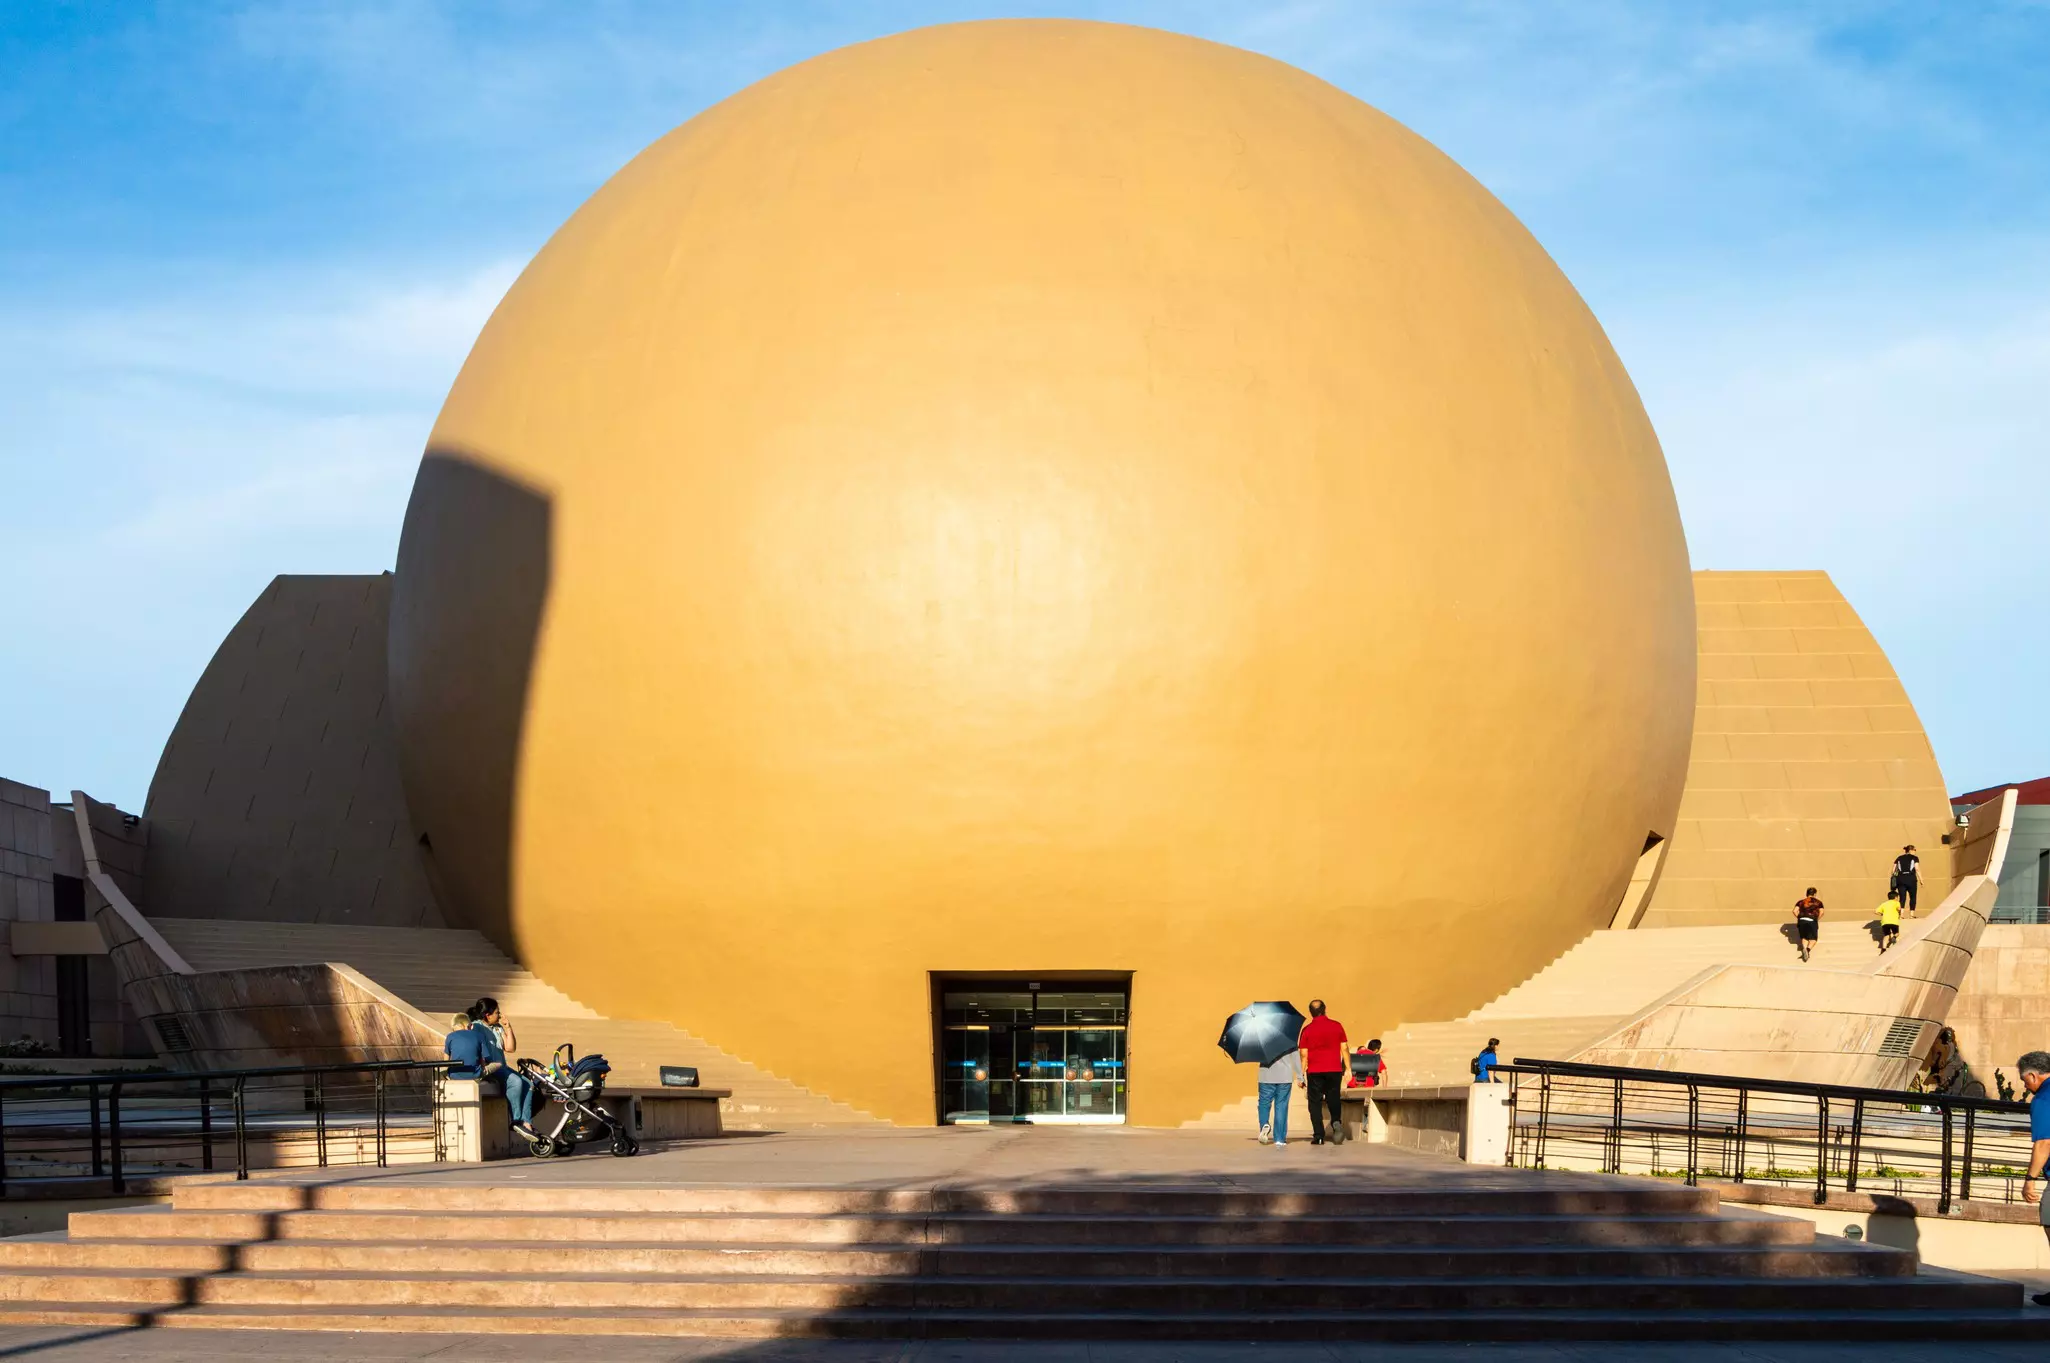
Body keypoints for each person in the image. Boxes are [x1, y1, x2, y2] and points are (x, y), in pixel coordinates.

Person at [446, 1001, 539, 1140]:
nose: (499, 1015)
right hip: (492, 1067)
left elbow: (510, 1048)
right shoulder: (476, 1027)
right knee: (516, 1082)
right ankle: (516, 1120)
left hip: (502, 1066)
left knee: (529, 1085)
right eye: (496, 1012)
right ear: (487, 1015)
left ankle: (526, 1123)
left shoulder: (497, 1028)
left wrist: (508, 1028)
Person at [2016, 1051, 2050, 1306]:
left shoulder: (2043, 1098)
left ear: (2032, 1075)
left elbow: (2044, 1143)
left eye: (2024, 1080)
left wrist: (2030, 1179)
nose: (2024, 1086)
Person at [1297, 999, 1350, 1146]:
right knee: (1333, 1097)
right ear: (1325, 1009)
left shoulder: (1307, 1030)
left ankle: (1319, 1135)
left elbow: (1303, 1055)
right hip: (1334, 1069)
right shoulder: (1336, 1026)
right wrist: (1349, 1069)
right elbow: (1344, 1048)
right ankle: (1336, 1122)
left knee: (1314, 1103)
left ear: (1310, 1012)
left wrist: (1301, 1075)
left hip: (1314, 1071)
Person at [1256, 1043, 1302, 1146]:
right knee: (1281, 1106)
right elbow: (1295, 1057)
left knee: (1264, 1103)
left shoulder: (1261, 1038)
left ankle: (1264, 1124)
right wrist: (1300, 1076)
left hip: (1265, 1076)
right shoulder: (1288, 1037)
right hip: (1284, 1077)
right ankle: (1280, 1139)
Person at [1792, 887, 1824, 962]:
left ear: (1807, 893)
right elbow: (1822, 912)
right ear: (1815, 894)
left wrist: (1799, 918)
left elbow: (1794, 911)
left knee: (1804, 937)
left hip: (1802, 920)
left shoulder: (1800, 902)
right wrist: (1816, 919)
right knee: (1813, 939)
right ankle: (1807, 950)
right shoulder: (1818, 902)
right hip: (1812, 920)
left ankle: (1804, 948)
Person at [1892, 845, 1921, 917]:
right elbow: (1917, 869)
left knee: (1902, 897)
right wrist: (1921, 879)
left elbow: (1894, 870)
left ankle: (1901, 915)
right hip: (1911, 879)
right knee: (1913, 897)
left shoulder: (1899, 858)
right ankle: (1912, 914)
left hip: (1900, 879)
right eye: (1915, 850)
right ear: (1911, 850)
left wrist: (1895, 879)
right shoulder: (1915, 858)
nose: (1915, 851)